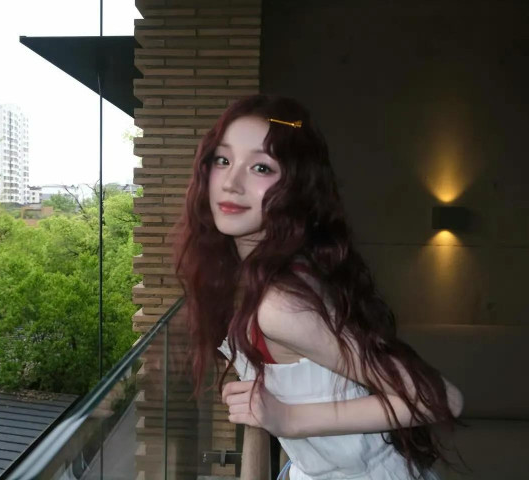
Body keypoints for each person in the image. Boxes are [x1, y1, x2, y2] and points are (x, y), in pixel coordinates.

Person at [171, 94, 464, 480]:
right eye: (223, 160)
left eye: (261, 167)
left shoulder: (280, 305)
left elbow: (439, 398)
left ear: (296, 188)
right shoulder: (258, 273)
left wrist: (289, 419)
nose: (231, 182)